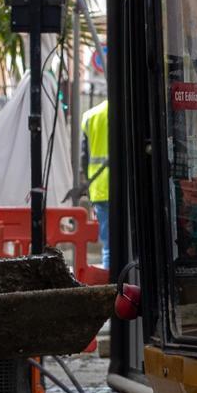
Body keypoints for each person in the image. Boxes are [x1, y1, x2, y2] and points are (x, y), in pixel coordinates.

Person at [80, 99, 110, 268]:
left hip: (99, 188)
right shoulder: (128, 110)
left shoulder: (90, 116)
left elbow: (84, 158)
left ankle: (112, 287)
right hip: (124, 188)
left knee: (108, 247)